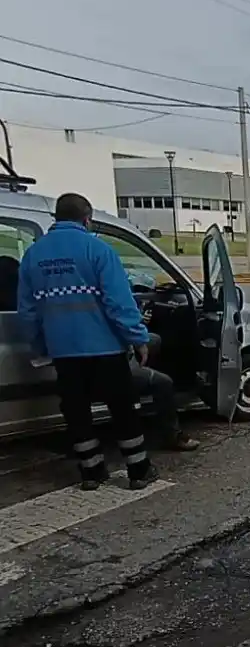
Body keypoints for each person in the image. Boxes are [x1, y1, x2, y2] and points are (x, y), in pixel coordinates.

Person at [17, 193, 158, 490]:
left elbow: (28, 312)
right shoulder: (98, 250)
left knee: (77, 412)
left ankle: (92, 473)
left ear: (56, 218)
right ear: (87, 219)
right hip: (105, 348)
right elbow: (119, 303)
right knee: (122, 409)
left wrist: (40, 345)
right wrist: (137, 339)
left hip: (63, 351)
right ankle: (138, 470)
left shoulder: (33, 256)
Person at [133, 308, 199, 451]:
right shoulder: (113, 294)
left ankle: (147, 377)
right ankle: (172, 436)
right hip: (115, 356)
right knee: (164, 383)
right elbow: (125, 321)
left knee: (155, 340)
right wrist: (139, 338)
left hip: (107, 348)